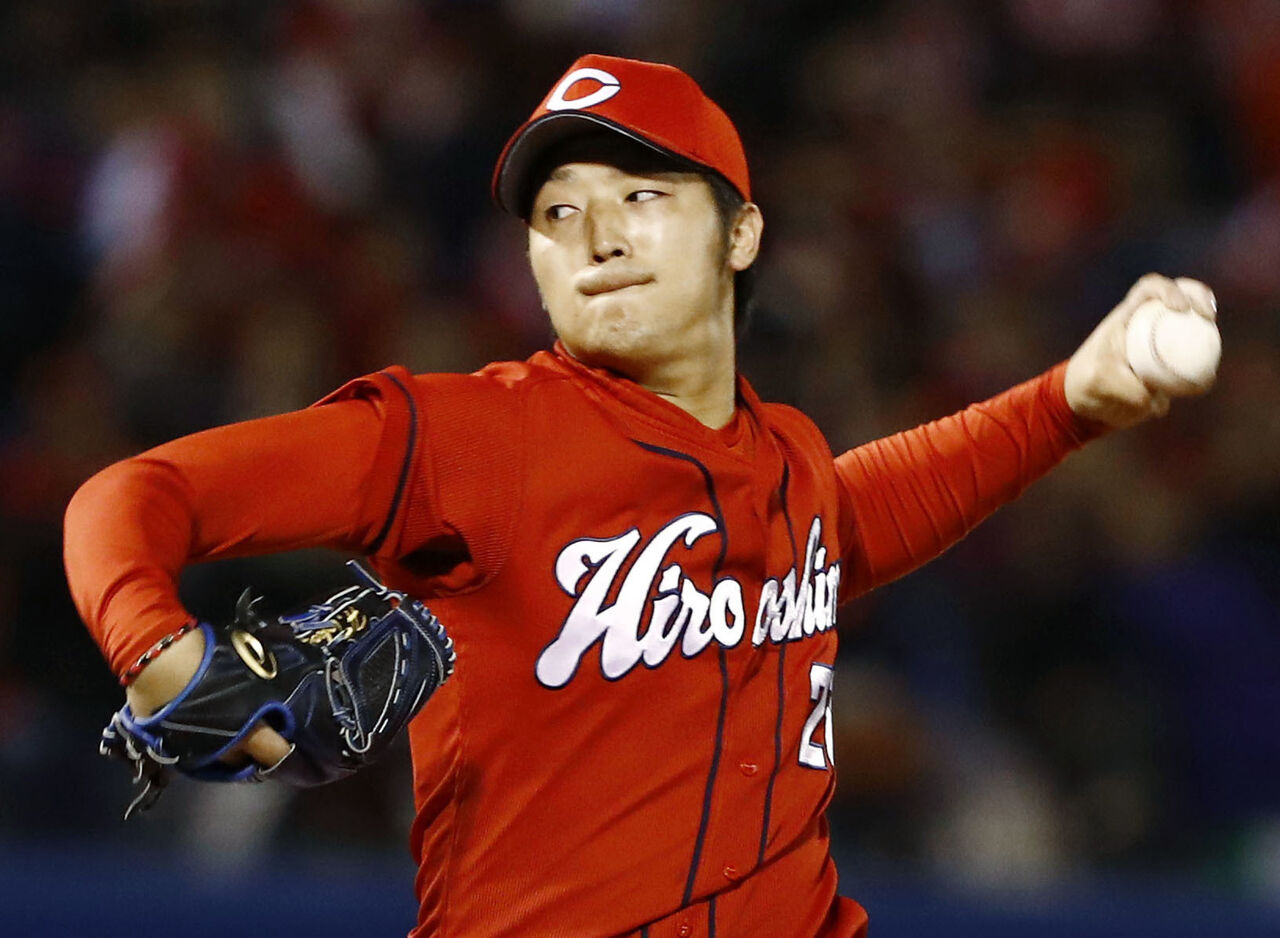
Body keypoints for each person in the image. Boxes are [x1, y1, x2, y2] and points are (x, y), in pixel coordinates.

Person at [63, 54, 1217, 937]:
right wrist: (151, 639)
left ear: (740, 232)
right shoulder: (473, 435)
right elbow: (133, 494)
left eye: (641, 192)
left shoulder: (786, 459)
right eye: (557, 212)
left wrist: (1071, 399)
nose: (596, 237)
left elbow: (851, 515)